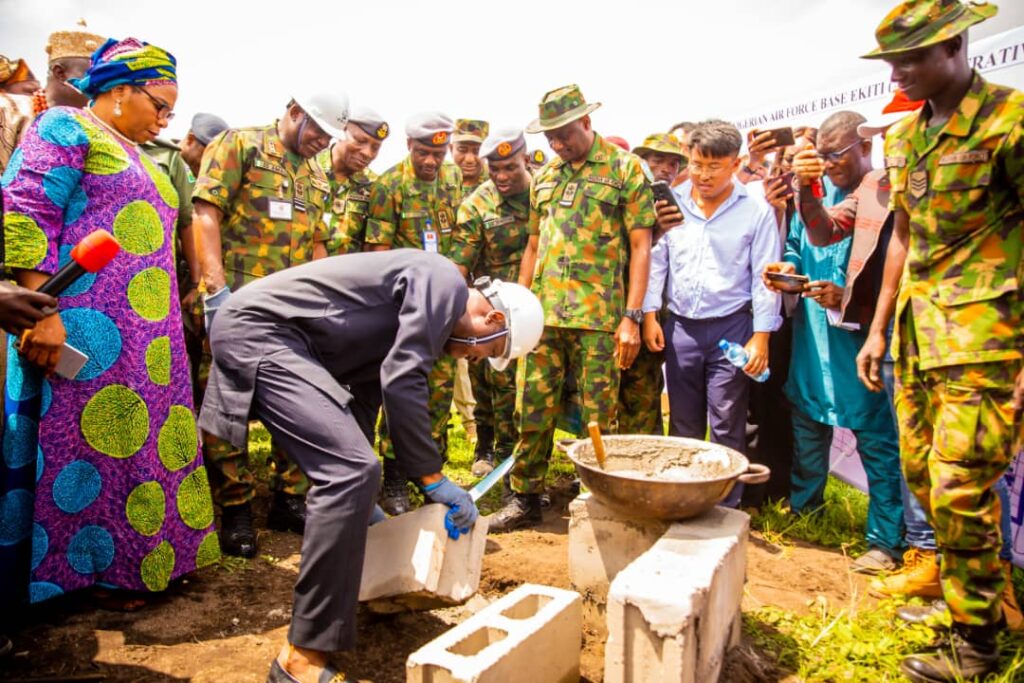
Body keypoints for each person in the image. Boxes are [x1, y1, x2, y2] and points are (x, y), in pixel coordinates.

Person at [197, 250, 543, 683]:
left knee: (353, 473)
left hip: (280, 339)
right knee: (349, 472)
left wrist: (367, 512)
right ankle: (300, 661)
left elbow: (364, 397)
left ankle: (355, 592)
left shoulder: (405, 313)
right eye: (483, 353)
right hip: (263, 331)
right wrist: (432, 478)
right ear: (491, 318)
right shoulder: (444, 281)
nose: (469, 360)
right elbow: (402, 378)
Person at [0, 37, 219, 615]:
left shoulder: (142, 153)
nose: (165, 119)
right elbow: (27, 212)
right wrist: (39, 311)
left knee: (138, 449)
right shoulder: (66, 129)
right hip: (84, 327)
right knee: (88, 448)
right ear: (119, 92)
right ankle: (88, 573)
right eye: (159, 105)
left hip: (148, 337)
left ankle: (143, 562)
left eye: (172, 111)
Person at [856, 1, 1022, 678]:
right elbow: (902, 232)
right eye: (893, 60)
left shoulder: (1010, 123)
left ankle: (978, 644)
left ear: (955, 45)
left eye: (914, 57)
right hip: (918, 335)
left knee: (960, 487)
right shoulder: (903, 138)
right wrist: (877, 327)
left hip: (987, 337)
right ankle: (962, 601)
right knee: (928, 477)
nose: (901, 71)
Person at [490, 84, 655, 531]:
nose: (558, 144)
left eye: (564, 134)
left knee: (600, 415)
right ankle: (525, 496)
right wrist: (517, 306)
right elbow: (532, 245)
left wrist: (632, 317)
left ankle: (597, 498)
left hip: (600, 319)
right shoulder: (545, 177)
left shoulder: (625, 170)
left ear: (586, 122)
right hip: (543, 319)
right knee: (532, 408)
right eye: (550, 138)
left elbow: (642, 247)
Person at [192, 93, 344, 556]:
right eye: (316, 129)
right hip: (238, 303)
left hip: (292, 311)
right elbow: (205, 214)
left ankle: (289, 499)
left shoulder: (318, 174)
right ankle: (236, 507)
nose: (321, 141)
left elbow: (318, 243)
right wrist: (214, 289)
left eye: (328, 136)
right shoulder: (240, 145)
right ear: (294, 111)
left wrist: (324, 303)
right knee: (226, 406)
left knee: (296, 402)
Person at [765, 111, 905, 573]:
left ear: (866, 147)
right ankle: (807, 510)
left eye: (836, 155)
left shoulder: (884, 194)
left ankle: (885, 539)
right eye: (821, 155)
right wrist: (787, 270)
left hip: (860, 342)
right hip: (812, 335)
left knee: (877, 440)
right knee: (808, 425)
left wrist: (848, 297)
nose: (828, 164)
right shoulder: (821, 195)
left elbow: (896, 271)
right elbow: (803, 240)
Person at [642, 120, 781, 508]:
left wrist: (761, 335)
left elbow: (764, 277)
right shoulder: (673, 201)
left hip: (731, 330)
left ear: (735, 163)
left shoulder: (755, 211)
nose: (703, 175)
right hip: (681, 328)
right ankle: (683, 501)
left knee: (726, 421)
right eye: (697, 164)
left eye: (713, 166)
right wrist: (651, 315)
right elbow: (658, 261)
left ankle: (723, 507)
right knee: (683, 423)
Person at [365, 112, 464, 516]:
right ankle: (394, 479)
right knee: (402, 391)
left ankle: (429, 474)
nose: (431, 161)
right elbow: (377, 255)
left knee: (438, 394)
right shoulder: (390, 186)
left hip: (445, 308)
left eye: (438, 153)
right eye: (424, 151)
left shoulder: (455, 181)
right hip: (404, 310)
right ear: (409, 146)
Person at [451, 127, 533, 476]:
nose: (501, 176)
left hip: (533, 309)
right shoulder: (477, 205)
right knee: (487, 379)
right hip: (491, 310)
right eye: (494, 168)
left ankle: (520, 454)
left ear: (526, 160)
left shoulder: (543, 195)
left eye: (510, 168)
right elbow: (460, 266)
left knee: (525, 386)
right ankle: (486, 445)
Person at [143, 112, 229, 405]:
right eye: (207, 151)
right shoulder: (170, 159)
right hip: (160, 271)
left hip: (184, 276)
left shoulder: (212, 175)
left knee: (189, 349)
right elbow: (187, 223)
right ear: (191, 140)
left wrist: (195, 282)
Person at [620, 133, 687, 435]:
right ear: (641, 162)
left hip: (657, 316)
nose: (664, 169)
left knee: (645, 394)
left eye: (672, 164)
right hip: (617, 311)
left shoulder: (681, 207)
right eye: (657, 160)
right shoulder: (624, 202)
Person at [450, 119, 490, 445]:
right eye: (463, 149)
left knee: (487, 368)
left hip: (489, 296)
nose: (470, 158)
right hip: (451, 290)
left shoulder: (497, 188)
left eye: (476, 150)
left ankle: (484, 436)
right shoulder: (440, 186)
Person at [314, 105, 388, 256]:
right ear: (341, 131)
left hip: (347, 277)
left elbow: (375, 247)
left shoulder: (376, 187)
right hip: (300, 273)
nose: (367, 153)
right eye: (360, 141)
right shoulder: (308, 168)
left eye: (375, 148)